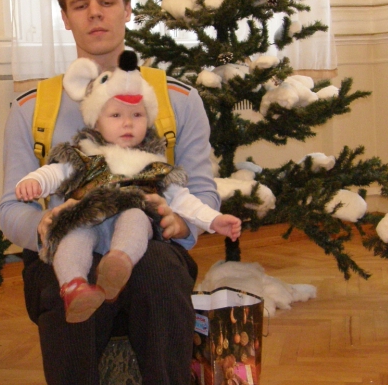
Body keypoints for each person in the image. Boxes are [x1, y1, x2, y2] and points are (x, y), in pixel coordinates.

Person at [0, 0, 218, 385]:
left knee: (160, 275)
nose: (94, 13)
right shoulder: (31, 108)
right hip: (65, 247)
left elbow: (202, 191)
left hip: (145, 246)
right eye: (80, 5)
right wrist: (43, 227)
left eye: (106, 1)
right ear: (65, 18)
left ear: (127, 9)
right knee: (64, 287)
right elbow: (10, 208)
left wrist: (181, 223)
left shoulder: (177, 100)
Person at [15, 51, 241, 324]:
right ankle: (74, 288)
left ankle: (118, 263)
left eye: (137, 114)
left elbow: (183, 199)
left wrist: (214, 219)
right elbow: (55, 172)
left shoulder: (150, 165)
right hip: (87, 218)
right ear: (96, 120)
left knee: (137, 217)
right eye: (116, 115)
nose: (127, 122)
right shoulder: (84, 154)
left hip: (128, 227)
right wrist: (33, 183)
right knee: (72, 235)